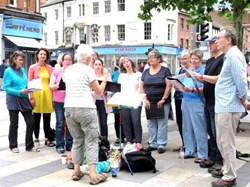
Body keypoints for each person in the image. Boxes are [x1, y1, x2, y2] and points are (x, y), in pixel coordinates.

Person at [63, 44, 108, 184]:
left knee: (77, 140)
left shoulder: (68, 69)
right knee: (92, 141)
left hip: (69, 108)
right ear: (89, 58)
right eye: (92, 57)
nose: (92, 59)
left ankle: (77, 171)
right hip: (86, 108)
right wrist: (105, 77)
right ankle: (93, 174)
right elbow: (99, 91)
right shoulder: (89, 70)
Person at [211, 26, 247, 187]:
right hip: (224, 105)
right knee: (222, 141)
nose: (217, 41)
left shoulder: (234, 56)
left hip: (229, 106)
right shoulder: (229, 56)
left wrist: (243, 98)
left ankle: (229, 176)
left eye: (219, 38)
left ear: (228, 39)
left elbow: (241, 80)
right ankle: (227, 169)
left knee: (226, 143)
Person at [190, 36, 224, 171]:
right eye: (208, 43)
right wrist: (194, 77)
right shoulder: (210, 60)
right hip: (207, 100)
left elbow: (219, 80)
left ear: (217, 43)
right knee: (210, 131)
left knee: (217, 133)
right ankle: (213, 157)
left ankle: (220, 161)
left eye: (211, 43)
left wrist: (201, 77)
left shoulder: (223, 59)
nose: (209, 46)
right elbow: (207, 80)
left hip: (217, 101)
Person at [4, 51, 39, 153]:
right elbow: (6, 88)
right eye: (20, 60)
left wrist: (31, 88)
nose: (22, 62)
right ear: (14, 60)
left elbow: (25, 83)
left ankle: (29, 145)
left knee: (31, 122)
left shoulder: (23, 70)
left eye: (23, 60)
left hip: (24, 98)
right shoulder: (8, 71)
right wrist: (19, 91)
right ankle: (13, 145)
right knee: (14, 123)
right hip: (13, 99)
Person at [140, 49, 172, 154]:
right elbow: (141, 86)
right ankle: (152, 143)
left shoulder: (165, 70)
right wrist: (145, 99)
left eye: (153, 57)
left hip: (162, 101)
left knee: (162, 123)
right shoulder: (145, 72)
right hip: (149, 101)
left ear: (159, 59)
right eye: (149, 58)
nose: (150, 59)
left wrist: (163, 98)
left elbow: (169, 85)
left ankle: (161, 144)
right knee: (151, 123)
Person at [181, 48, 208, 163]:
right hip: (185, 101)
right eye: (192, 58)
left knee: (199, 129)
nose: (193, 61)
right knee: (187, 128)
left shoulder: (203, 71)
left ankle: (202, 154)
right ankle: (189, 150)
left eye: (196, 59)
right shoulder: (189, 70)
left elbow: (205, 88)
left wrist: (191, 90)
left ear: (200, 60)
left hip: (197, 102)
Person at [28, 48, 55, 148]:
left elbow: (52, 82)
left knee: (47, 118)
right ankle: (36, 137)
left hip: (47, 94)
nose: (43, 56)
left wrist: (53, 97)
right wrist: (31, 97)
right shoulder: (32, 68)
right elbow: (30, 83)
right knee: (36, 118)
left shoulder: (50, 68)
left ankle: (47, 139)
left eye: (44, 54)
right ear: (37, 55)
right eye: (41, 54)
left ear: (47, 56)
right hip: (37, 94)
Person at [49, 53, 73, 154]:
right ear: (62, 61)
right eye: (66, 59)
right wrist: (59, 85)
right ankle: (59, 145)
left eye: (69, 60)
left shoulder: (74, 72)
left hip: (71, 100)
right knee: (60, 123)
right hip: (59, 101)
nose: (67, 61)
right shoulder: (57, 72)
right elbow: (51, 86)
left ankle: (69, 144)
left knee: (70, 124)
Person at [118, 57, 143, 147]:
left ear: (131, 63)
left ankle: (138, 140)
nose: (126, 64)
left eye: (127, 61)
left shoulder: (138, 74)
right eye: (124, 63)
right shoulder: (122, 76)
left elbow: (140, 88)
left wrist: (135, 99)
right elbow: (120, 89)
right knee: (126, 121)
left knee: (136, 121)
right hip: (125, 101)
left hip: (136, 101)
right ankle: (128, 140)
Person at [173, 51, 190, 151]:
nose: (183, 61)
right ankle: (184, 142)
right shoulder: (178, 70)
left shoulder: (191, 70)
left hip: (187, 97)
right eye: (182, 59)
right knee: (180, 121)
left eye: (185, 58)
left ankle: (190, 143)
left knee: (188, 121)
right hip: (178, 97)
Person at [92, 58, 112, 139]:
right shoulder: (91, 75)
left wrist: (106, 92)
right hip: (93, 101)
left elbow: (111, 88)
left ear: (102, 66)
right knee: (93, 122)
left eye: (99, 64)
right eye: (96, 64)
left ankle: (104, 139)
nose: (97, 66)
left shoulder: (106, 76)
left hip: (103, 101)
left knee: (103, 122)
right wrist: (95, 91)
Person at [111, 57, 125, 143]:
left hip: (125, 98)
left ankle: (128, 135)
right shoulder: (114, 73)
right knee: (117, 118)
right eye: (121, 61)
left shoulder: (127, 73)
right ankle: (119, 136)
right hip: (115, 98)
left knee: (125, 118)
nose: (122, 63)